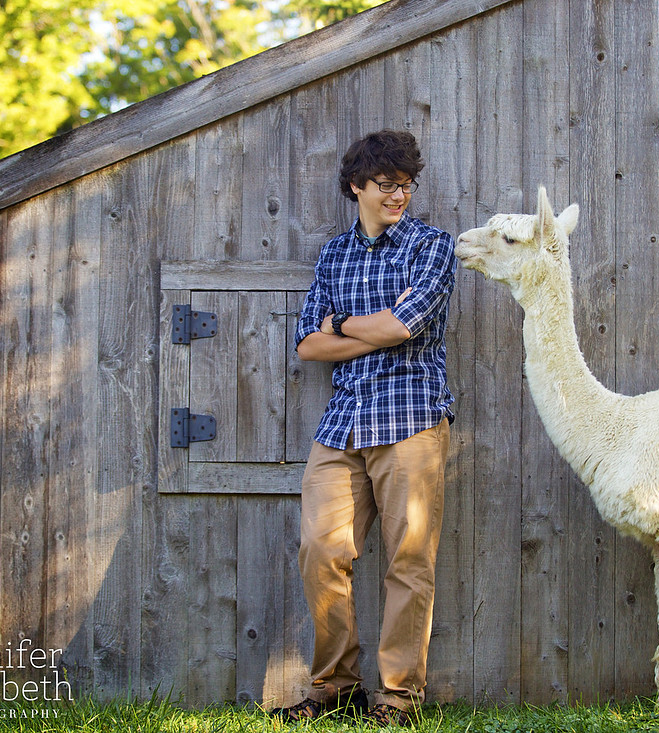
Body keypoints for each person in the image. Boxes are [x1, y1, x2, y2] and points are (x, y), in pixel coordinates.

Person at [273, 129, 456, 727]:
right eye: (386, 185)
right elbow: (306, 343)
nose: (398, 195)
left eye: (406, 185)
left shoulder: (432, 247)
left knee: (408, 561)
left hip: (410, 419)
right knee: (321, 549)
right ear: (357, 187)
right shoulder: (333, 255)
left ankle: (399, 699)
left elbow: (403, 328)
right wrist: (366, 329)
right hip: (342, 424)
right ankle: (336, 687)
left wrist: (345, 324)